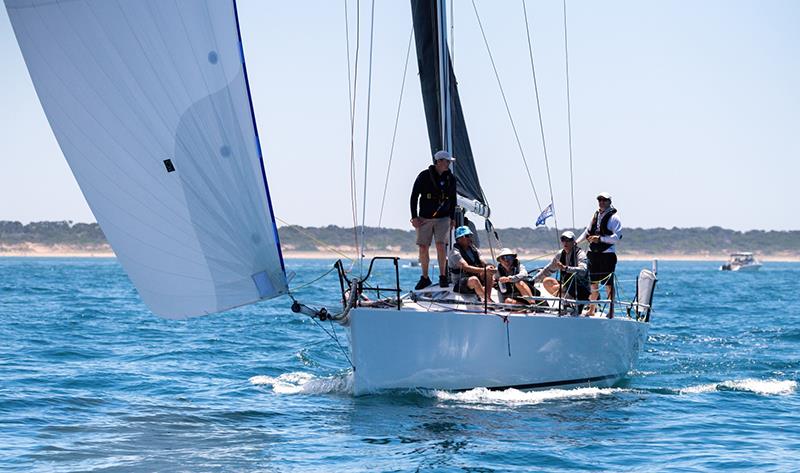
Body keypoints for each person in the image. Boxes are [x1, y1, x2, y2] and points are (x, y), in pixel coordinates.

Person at [410, 150, 457, 289]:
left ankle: (442, 276)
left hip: (443, 218)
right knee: (423, 247)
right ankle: (424, 277)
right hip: (425, 218)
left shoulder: (451, 178)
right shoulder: (424, 176)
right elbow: (414, 196)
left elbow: (453, 199)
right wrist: (414, 217)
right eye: (447, 161)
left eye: (449, 162)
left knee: (441, 245)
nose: (448, 164)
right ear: (439, 161)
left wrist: (452, 218)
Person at [576, 191, 622, 318]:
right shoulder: (596, 216)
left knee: (608, 284)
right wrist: (576, 242)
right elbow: (587, 232)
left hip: (607, 255)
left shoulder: (614, 218)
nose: (602, 202)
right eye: (600, 200)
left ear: (609, 202)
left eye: (604, 200)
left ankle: (611, 310)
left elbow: (616, 237)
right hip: (592, 254)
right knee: (592, 282)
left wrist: (600, 239)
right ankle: (592, 308)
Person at [532, 231, 591, 315]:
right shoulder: (560, 254)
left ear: (574, 242)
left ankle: (575, 304)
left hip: (580, 289)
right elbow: (548, 269)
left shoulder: (580, 254)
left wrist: (565, 268)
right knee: (547, 281)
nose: (565, 242)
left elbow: (583, 270)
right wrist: (533, 280)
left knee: (572, 288)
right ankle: (567, 301)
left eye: (568, 240)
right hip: (567, 286)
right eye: (563, 239)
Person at [448, 226, 496, 302]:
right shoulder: (454, 253)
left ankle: (487, 298)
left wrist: (489, 267)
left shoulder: (474, 249)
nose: (470, 238)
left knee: (489, 273)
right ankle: (488, 301)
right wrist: (484, 270)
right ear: (460, 238)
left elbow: (482, 261)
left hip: (474, 276)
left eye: (470, 235)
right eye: (467, 236)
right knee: (474, 280)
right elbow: (465, 267)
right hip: (460, 282)